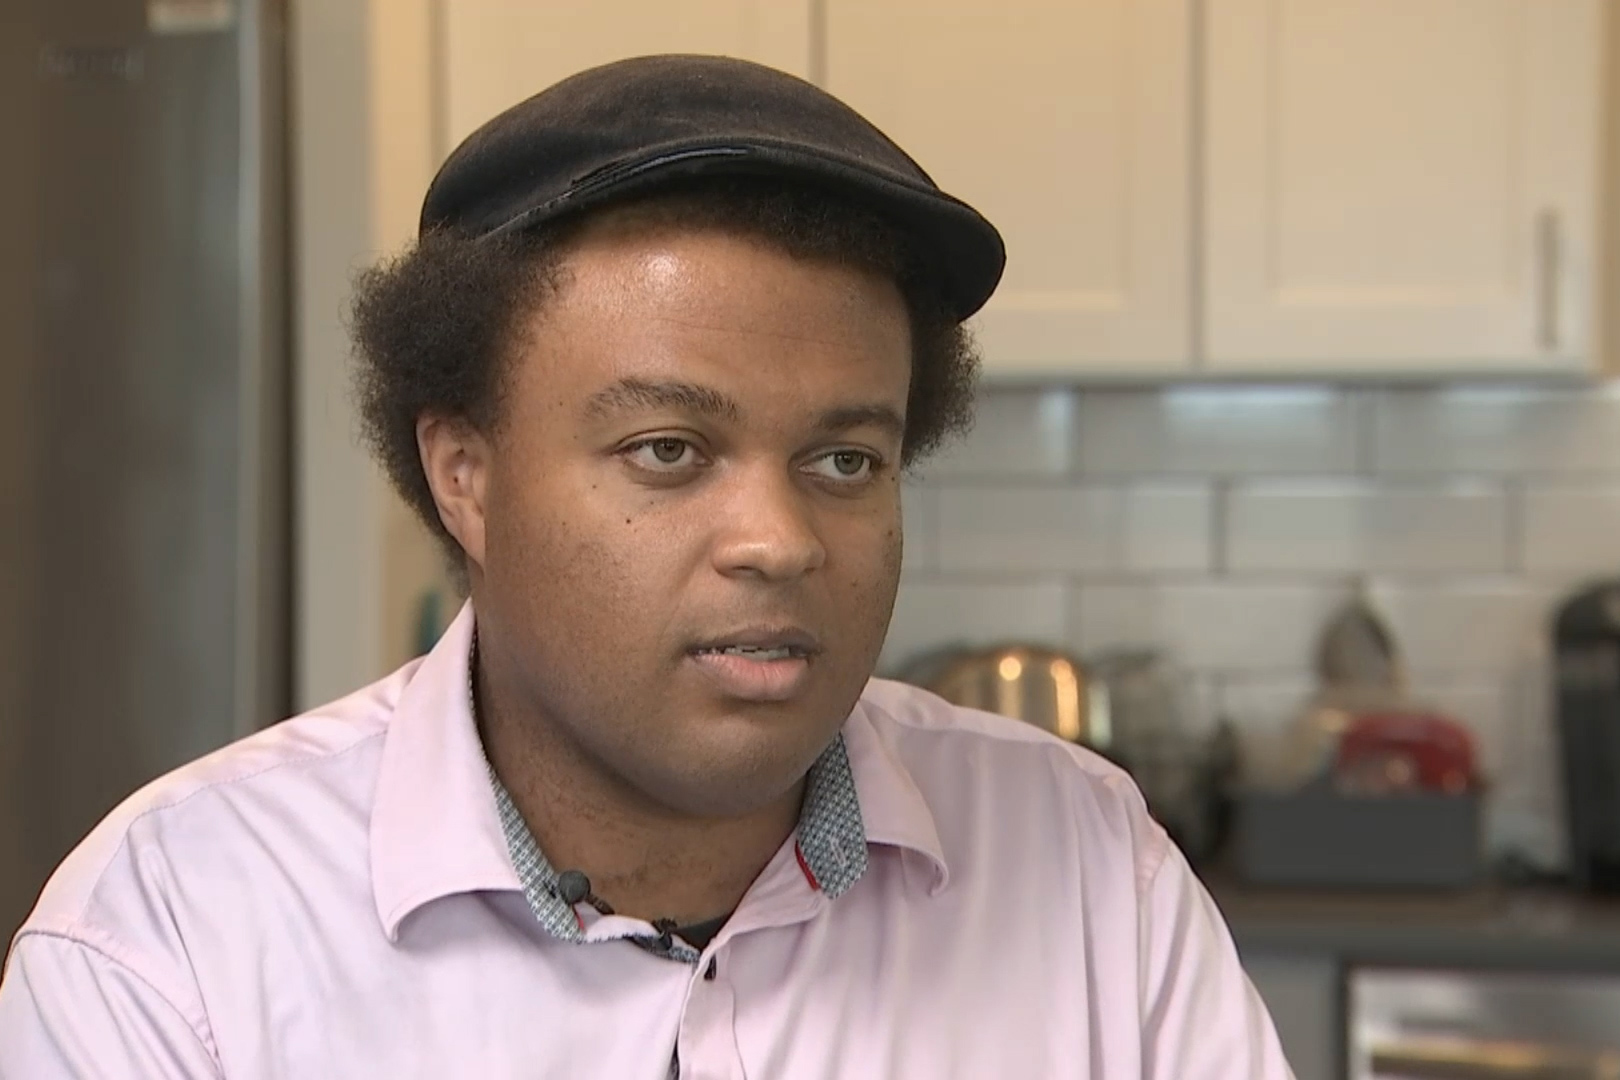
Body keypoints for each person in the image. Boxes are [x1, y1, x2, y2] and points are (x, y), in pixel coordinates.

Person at [0, 55, 1294, 1078]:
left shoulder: (1085, 869)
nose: (780, 541)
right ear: (467, 474)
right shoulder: (172, 940)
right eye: (669, 450)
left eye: (846, 460)